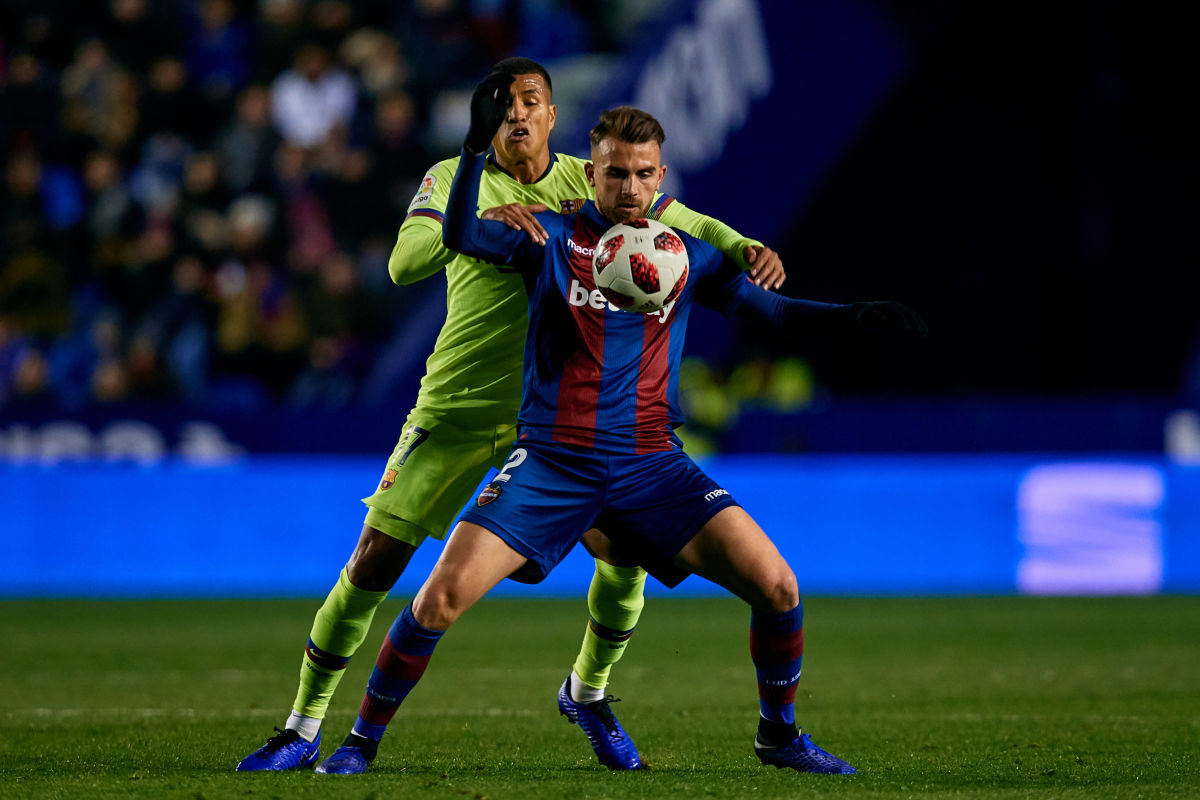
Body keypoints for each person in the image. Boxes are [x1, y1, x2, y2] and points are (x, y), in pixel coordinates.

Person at [307, 77, 925, 776]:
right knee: (439, 598)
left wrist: (851, 318)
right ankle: (359, 742)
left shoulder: (685, 255)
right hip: (552, 461)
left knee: (779, 588)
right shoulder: (546, 238)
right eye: (613, 173)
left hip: (651, 464)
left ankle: (776, 736)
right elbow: (451, 234)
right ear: (588, 174)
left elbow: (770, 311)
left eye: (641, 175)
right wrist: (476, 154)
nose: (628, 188)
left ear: (659, 178)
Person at [236, 57, 787, 773]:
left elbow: (683, 218)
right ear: (488, 122)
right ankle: (302, 727)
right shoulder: (450, 178)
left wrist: (741, 246)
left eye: (531, 100)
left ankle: (588, 693)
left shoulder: (586, 177)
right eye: (503, 105)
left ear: (553, 116)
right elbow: (405, 263)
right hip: (462, 409)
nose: (517, 113)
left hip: (563, 424)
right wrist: (475, 216)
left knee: (625, 561)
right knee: (374, 564)